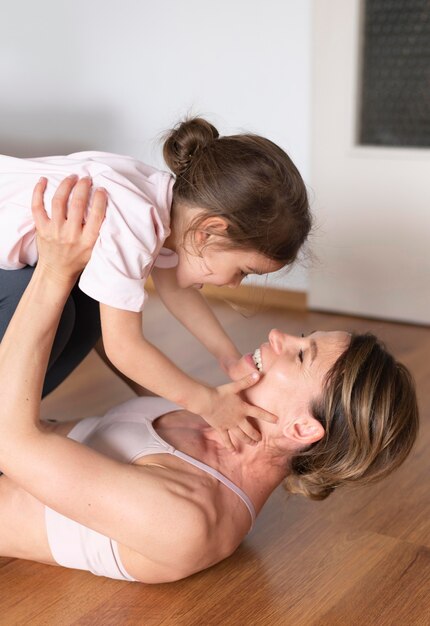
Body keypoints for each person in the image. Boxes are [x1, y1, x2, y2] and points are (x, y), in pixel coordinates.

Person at [0, 178, 419, 583]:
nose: (278, 336)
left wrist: (55, 270)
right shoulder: (218, 418)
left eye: (300, 354)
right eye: (304, 337)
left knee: (33, 285)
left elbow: (11, 441)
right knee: (76, 296)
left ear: (302, 428)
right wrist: (116, 241)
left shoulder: (187, 519)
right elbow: (119, 345)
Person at [0, 117, 311, 449]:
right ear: (209, 231)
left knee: (88, 304)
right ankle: (11, 430)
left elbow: (175, 289)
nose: (236, 284)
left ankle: (13, 424)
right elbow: (124, 348)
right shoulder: (134, 220)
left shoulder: (162, 205)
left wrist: (229, 358)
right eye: (243, 270)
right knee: (57, 308)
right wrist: (207, 402)